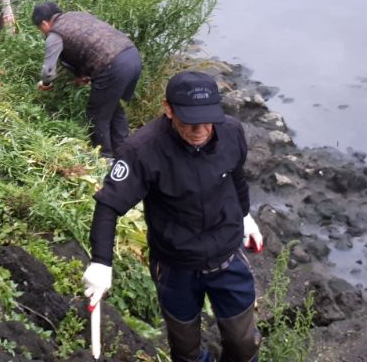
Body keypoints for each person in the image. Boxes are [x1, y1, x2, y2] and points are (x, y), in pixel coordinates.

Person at [83, 71, 265, 362]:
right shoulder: (142, 150)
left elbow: (236, 176)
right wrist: (101, 263)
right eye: (189, 120)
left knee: (244, 343)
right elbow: (108, 205)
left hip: (227, 257)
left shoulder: (231, 132)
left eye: (206, 119)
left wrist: (245, 216)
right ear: (168, 109)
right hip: (175, 267)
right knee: (186, 350)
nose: (200, 129)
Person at [32, 1, 142, 157]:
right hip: (132, 56)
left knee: (96, 114)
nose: (42, 33)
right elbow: (89, 44)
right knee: (116, 109)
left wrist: (45, 83)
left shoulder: (54, 35)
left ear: (44, 23)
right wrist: (81, 75)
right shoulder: (76, 15)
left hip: (112, 65)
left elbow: (48, 71)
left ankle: (105, 158)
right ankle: (124, 155)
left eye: (39, 29)